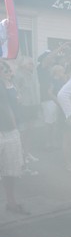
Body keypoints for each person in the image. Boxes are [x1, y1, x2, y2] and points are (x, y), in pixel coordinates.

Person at [0, 69, 29, 215]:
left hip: (10, 131)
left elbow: (10, 106)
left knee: (10, 171)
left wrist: (15, 126)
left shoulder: (8, 85)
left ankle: (11, 202)